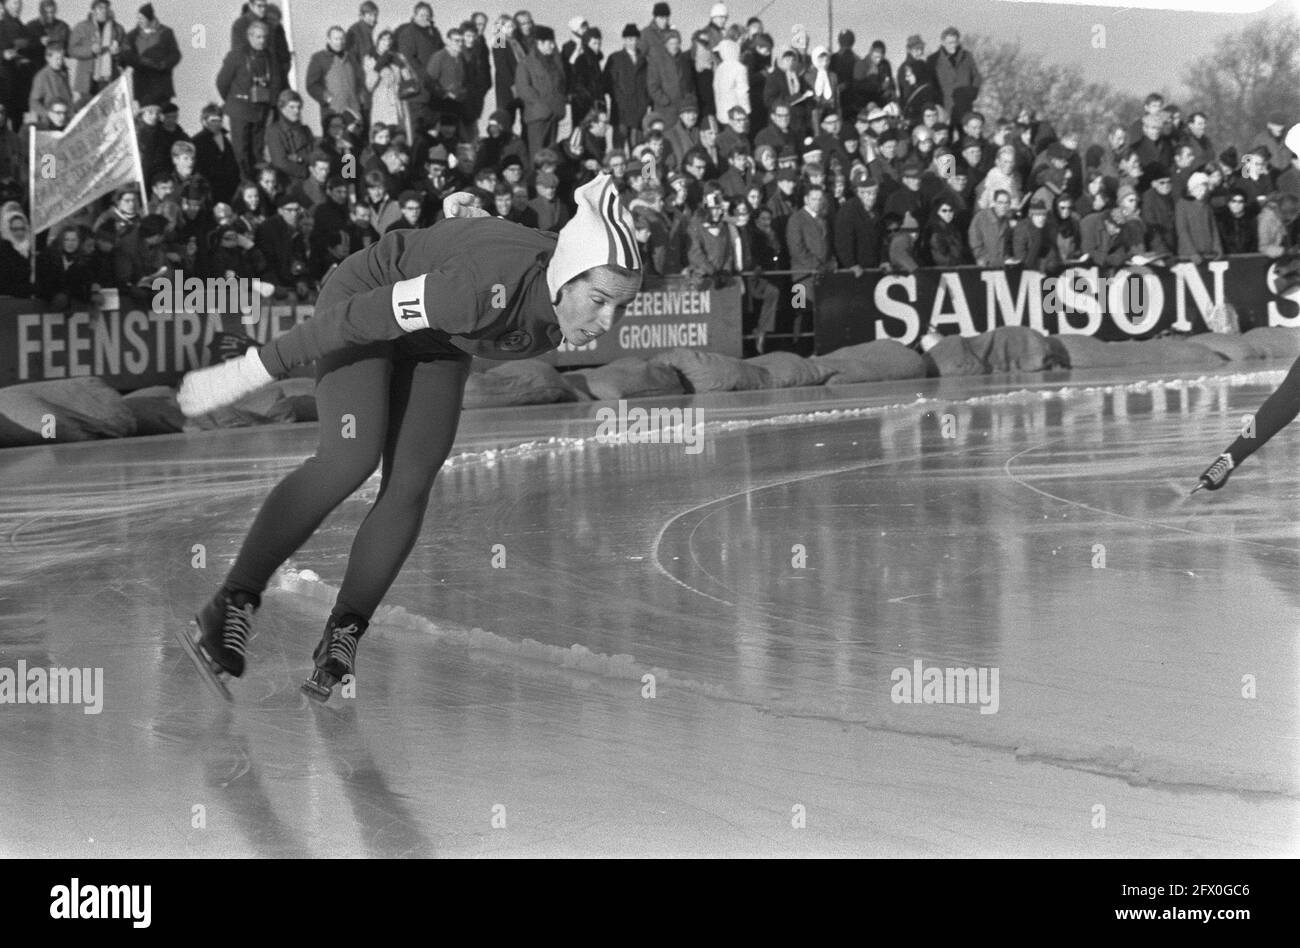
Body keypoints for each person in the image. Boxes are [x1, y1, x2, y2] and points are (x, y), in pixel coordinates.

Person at [172, 176, 643, 701]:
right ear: (565, 280)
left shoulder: (553, 280)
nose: (608, 322)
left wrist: (459, 226)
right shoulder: (478, 294)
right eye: (600, 301)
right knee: (349, 457)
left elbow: (501, 238)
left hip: (438, 338)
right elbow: (353, 320)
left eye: (620, 308)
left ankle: (345, 630)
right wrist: (251, 370)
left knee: (412, 480)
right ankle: (232, 602)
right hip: (366, 301)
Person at [119, 2, 180, 108]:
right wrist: (140, 61)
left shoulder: (166, 33)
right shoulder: (132, 36)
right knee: (145, 116)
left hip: (162, 84)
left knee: (162, 116)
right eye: (138, 18)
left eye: (142, 18)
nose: (139, 21)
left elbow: (175, 54)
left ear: (150, 18)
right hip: (143, 85)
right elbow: (126, 56)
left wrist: (164, 65)